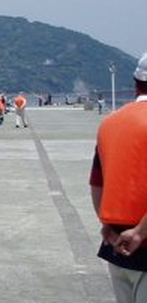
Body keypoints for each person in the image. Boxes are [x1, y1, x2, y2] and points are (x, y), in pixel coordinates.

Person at [90, 53, 147, 303]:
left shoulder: (109, 123)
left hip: (116, 244)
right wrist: (140, 232)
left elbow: (96, 183)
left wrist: (108, 227)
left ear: (136, 82)